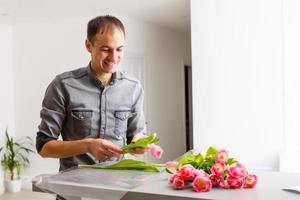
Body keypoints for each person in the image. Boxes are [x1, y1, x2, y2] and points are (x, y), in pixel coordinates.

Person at [36, 15, 148, 171]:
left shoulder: (133, 88)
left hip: (116, 188)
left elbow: (136, 135)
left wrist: (139, 143)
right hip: (75, 190)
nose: (114, 57)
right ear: (89, 45)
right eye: (106, 49)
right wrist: (88, 145)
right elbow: (44, 147)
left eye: (119, 49)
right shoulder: (63, 85)